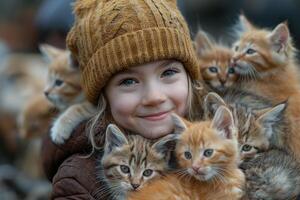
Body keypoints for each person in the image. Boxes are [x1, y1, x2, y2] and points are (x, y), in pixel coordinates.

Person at [41, 0, 205, 199]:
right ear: (103, 97)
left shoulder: (234, 145)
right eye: (128, 81)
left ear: (191, 78)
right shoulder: (79, 182)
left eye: (168, 72)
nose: (154, 97)